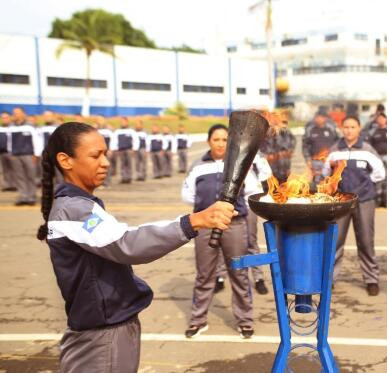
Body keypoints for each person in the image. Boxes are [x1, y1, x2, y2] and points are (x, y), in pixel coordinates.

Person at [37, 121, 236, 372]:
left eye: (106, 154)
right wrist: (192, 222)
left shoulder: (80, 204)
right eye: (95, 155)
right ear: (66, 161)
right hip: (101, 337)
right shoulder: (74, 209)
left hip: (109, 327)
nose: (106, 162)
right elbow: (126, 243)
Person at [181, 124, 255, 338]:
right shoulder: (198, 166)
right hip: (205, 226)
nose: (221, 144)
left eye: (225, 140)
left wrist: (236, 214)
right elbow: (187, 195)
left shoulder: (241, 164)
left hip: (234, 226)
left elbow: (252, 193)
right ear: (209, 142)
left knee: (239, 273)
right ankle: (198, 320)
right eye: (216, 139)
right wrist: (206, 212)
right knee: (205, 275)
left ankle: (245, 320)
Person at [323, 116, 385, 296]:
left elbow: (379, 174)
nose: (349, 130)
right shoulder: (335, 151)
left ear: (359, 129)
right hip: (341, 202)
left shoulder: (368, 150)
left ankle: (371, 279)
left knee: (365, 241)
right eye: (346, 127)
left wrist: (364, 187)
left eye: (353, 127)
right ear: (342, 129)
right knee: (336, 242)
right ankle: (329, 279)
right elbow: (327, 174)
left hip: (364, 201)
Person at [215, 152, 272, 295]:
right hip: (230, 203)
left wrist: (256, 160)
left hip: (248, 203)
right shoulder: (225, 155)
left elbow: (266, 174)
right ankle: (220, 276)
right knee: (223, 240)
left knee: (251, 242)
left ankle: (258, 278)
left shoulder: (255, 154)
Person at [362, 113, 387, 207]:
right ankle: (376, 200)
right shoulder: (373, 131)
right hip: (376, 157)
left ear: (386, 120)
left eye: (383, 119)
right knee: (377, 178)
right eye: (379, 119)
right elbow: (367, 144)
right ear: (377, 120)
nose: (381, 120)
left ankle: (384, 201)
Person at [10, 107, 41, 205]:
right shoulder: (11, 126)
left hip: (29, 155)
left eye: (18, 113)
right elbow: (9, 141)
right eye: (14, 113)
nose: (16, 115)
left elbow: (37, 140)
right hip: (15, 155)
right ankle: (23, 196)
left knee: (31, 176)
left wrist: (36, 154)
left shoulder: (30, 126)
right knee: (20, 177)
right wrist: (11, 152)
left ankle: (31, 197)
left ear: (23, 114)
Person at [302, 107, 339, 183]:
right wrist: (308, 160)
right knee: (317, 183)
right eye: (317, 117)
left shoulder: (331, 129)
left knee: (331, 182)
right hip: (316, 162)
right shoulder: (310, 130)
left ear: (325, 118)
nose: (318, 119)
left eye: (321, 117)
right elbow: (305, 146)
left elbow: (338, 143)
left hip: (330, 161)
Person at [112, 117, 138, 184]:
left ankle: (129, 177)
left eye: (124, 122)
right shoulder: (117, 131)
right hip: (121, 150)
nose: (123, 123)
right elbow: (114, 141)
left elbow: (136, 140)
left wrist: (134, 149)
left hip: (129, 150)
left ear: (127, 122)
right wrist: (114, 149)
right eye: (122, 122)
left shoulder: (131, 131)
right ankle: (123, 177)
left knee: (129, 164)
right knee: (122, 164)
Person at [96, 117, 114, 187]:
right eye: (98, 120)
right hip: (98, 152)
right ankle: (100, 183)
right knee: (98, 168)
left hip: (107, 151)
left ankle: (106, 182)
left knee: (107, 167)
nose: (99, 121)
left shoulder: (109, 130)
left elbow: (113, 140)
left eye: (101, 120)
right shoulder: (95, 130)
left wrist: (111, 149)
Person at [0, 111, 16, 192]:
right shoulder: (1, 128)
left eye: (6, 117)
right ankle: (7, 185)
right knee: (5, 170)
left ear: (9, 118)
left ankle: (14, 185)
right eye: (3, 118)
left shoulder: (14, 127)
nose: (4, 119)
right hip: (2, 152)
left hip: (12, 152)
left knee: (14, 169)